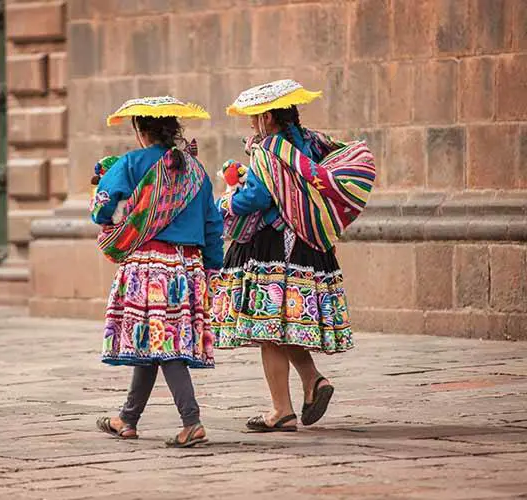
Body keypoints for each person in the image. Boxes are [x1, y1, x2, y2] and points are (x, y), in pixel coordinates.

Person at [212, 80, 376, 432]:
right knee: (284, 323)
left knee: (269, 328)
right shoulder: (310, 142)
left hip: (273, 245)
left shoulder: (269, 150)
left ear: (268, 117)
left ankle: (281, 410)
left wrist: (226, 199)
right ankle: (313, 381)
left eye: (254, 118)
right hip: (308, 245)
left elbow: (256, 198)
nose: (251, 125)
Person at [90, 96, 223, 448]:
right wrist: (211, 268)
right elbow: (213, 223)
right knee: (152, 341)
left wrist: (111, 194)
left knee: (164, 343)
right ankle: (127, 418)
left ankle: (191, 421)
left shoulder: (132, 163)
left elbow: (102, 210)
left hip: (149, 266)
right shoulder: (195, 170)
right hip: (188, 267)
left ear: (140, 130)